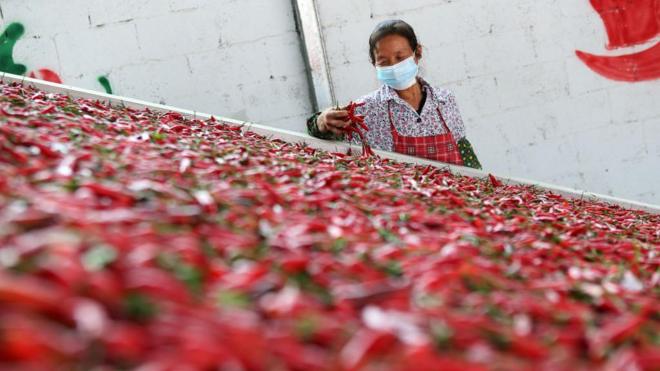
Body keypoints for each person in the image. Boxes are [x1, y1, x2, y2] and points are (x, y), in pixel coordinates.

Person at [307, 19, 481, 169]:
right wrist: (321, 121)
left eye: (400, 57)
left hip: (454, 199)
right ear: (374, 64)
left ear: (417, 53)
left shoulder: (444, 100)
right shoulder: (367, 108)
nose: (394, 67)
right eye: (383, 61)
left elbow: (463, 150)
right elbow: (322, 131)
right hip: (399, 203)